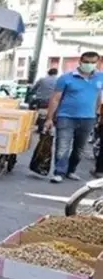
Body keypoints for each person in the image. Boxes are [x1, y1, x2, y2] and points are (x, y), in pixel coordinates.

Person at [43, 51, 103, 183]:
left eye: (92, 62)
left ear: (97, 63)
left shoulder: (100, 78)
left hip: (88, 118)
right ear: (80, 61)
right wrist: (49, 118)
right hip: (66, 117)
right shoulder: (66, 78)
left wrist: (98, 114)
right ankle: (59, 172)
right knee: (62, 146)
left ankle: (71, 170)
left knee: (79, 148)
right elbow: (55, 98)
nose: (89, 65)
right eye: (86, 62)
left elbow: (100, 97)